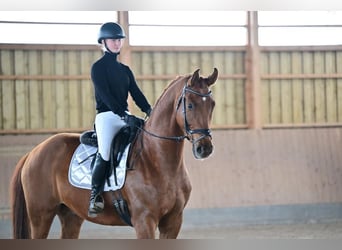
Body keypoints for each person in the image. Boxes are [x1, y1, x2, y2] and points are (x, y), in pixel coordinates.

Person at [88, 22, 152, 217]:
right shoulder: (98, 68)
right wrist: (123, 114)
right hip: (107, 117)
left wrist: (150, 110)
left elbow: (137, 94)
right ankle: (95, 195)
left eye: (119, 40)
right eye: (113, 40)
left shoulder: (125, 70)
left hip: (124, 116)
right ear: (104, 42)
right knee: (105, 151)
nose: (117, 43)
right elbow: (105, 95)